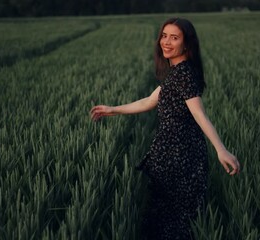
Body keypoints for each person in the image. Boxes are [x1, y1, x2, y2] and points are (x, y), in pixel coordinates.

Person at [90, 17, 240, 240]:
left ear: (187, 44)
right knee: (167, 218)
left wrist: (221, 149)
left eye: (174, 37)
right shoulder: (177, 73)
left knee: (174, 221)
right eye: (164, 36)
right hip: (171, 156)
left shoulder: (184, 75)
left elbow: (200, 115)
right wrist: (113, 110)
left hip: (181, 158)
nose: (166, 42)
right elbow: (149, 101)